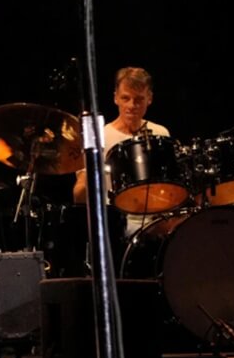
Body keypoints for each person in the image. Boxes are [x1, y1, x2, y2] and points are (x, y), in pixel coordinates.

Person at [72, 66, 172, 239]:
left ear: (150, 99)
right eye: (125, 98)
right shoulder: (99, 136)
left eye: (139, 99)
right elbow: (79, 195)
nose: (131, 106)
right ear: (115, 98)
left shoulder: (160, 133)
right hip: (116, 225)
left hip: (157, 220)